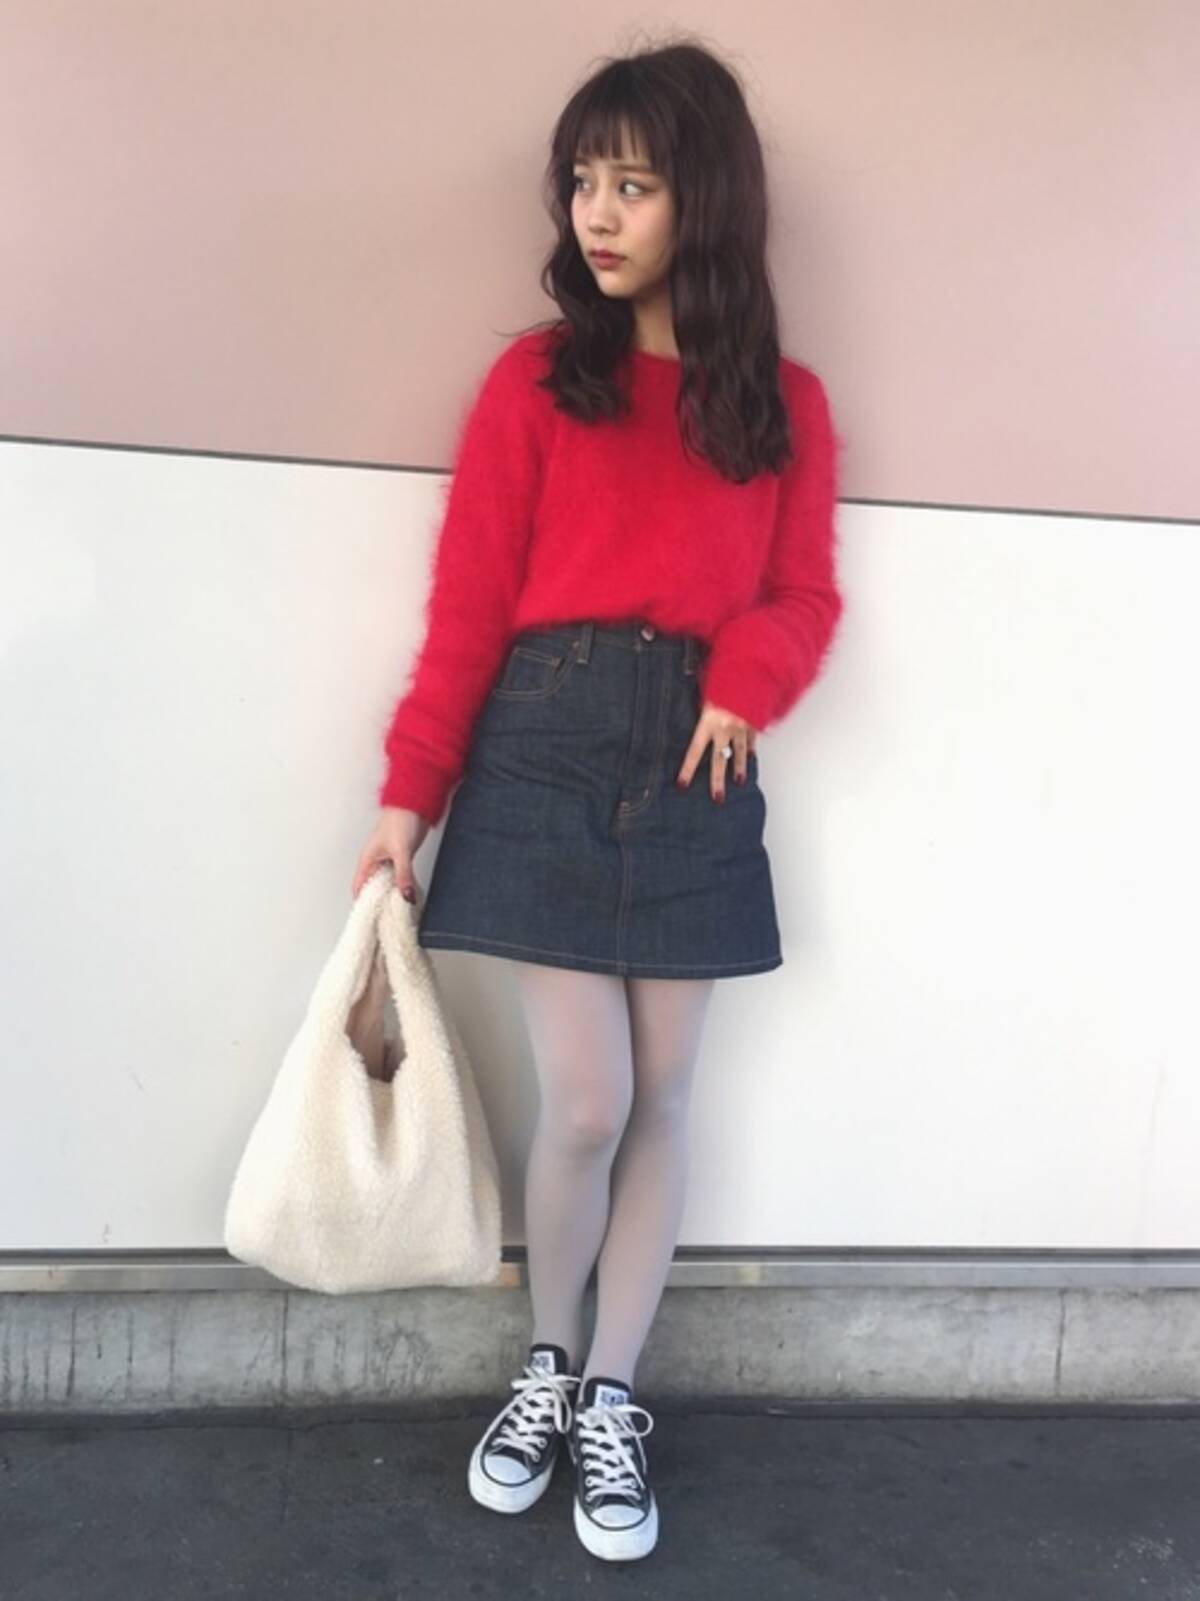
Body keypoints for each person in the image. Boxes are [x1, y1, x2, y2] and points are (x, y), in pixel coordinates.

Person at [351, 37, 845, 1564]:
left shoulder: (781, 405)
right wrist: (407, 800)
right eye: (583, 180)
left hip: (699, 759)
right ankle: (549, 1368)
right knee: (588, 1100)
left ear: (708, 197)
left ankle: (616, 1393)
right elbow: (467, 612)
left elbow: (805, 596)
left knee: (667, 1096)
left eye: (634, 181)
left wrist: (744, 680)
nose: (599, 212)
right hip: (545, 744)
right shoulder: (534, 382)